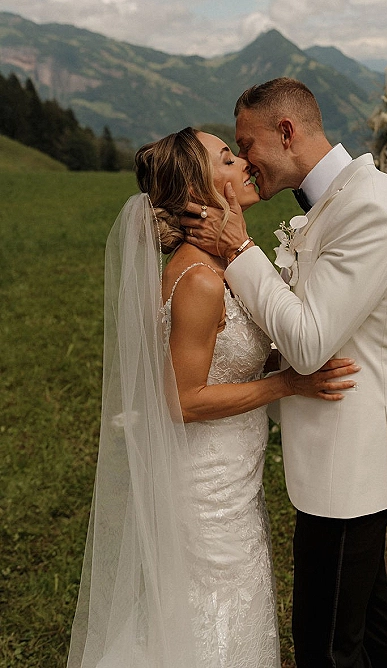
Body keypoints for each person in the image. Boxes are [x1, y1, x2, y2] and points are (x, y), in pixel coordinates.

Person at [67, 126, 359, 668]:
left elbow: (237, 355)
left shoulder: (225, 267)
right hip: (205, 485)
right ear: (199, 188)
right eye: (228, 157)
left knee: (229, 605)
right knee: (213, 610)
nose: (245, 162)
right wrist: (286, 385)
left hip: (233, 474)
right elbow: (181, 400)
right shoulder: (200, 279)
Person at [184, 79, 387, 668]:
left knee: (325, 645)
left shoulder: (371, 205)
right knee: (366, 631)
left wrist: (240, 251)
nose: (244, 161)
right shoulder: (337, 201)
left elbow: (311, 342)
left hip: (351, 460)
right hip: (334, 458)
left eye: (246, 144)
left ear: (286, 132)